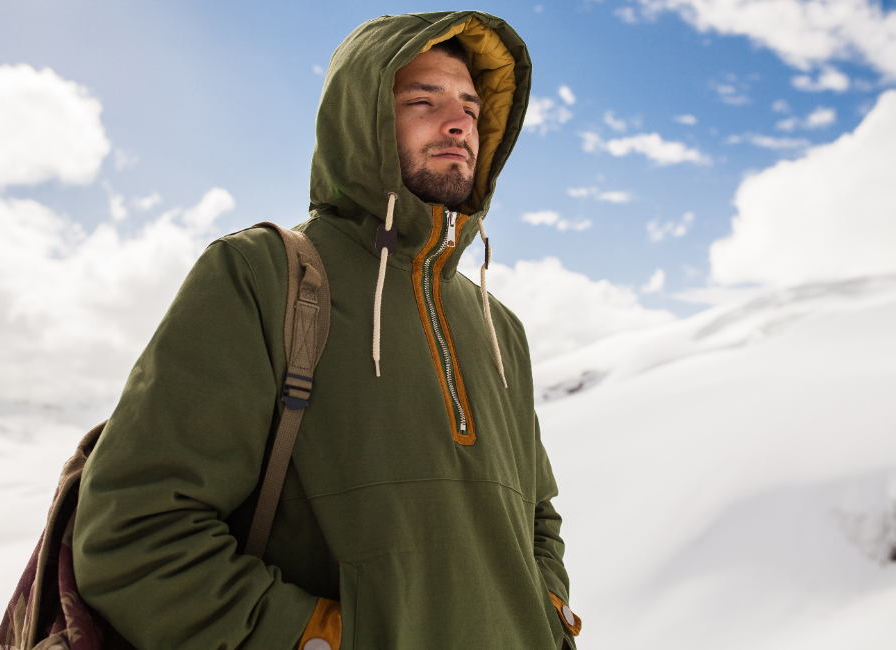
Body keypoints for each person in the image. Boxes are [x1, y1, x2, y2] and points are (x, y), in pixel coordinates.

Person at [74, 11, 580, 650]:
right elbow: (135, 531)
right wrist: (317, 638)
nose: (458, 123)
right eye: (423, 101)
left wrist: (546, 612)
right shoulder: (261, 276)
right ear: (359, 122)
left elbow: (538, 516)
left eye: (471, 109)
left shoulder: (499, 325)